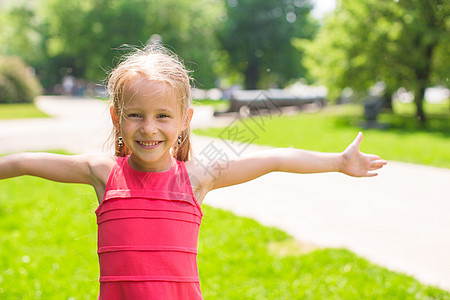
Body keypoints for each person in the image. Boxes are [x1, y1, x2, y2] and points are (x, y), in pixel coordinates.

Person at [0, 46, 387, 299]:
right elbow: (22, 162)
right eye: (135, 115)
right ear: (117, 119)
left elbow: (277, 158)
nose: (149, 128)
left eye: (162, 116)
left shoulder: (198, 177)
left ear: (184, 121)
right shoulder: (104, 173)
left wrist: (338, 162)